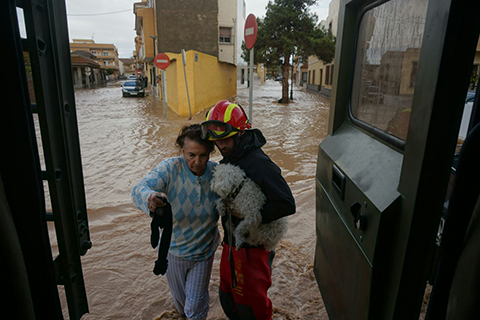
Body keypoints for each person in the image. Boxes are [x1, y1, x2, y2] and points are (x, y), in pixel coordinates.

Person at [200, 100, 296, 320]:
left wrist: (250, 216)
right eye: (216, 141)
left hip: (254, 250)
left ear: (240, 133)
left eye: (225, 139)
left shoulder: (259, 163)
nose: (221, 146)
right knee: (227, 299)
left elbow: (287, 203)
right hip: (231, 243)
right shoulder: (231, 157)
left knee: (251, 307)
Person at [131, 124, 220, 320]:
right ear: (182, 152)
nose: (197, 162)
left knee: (195, 308)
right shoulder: (170, 169)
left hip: (203, 252)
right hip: (174, 252)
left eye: (203, 155)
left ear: (211, 153)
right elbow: (139, 188)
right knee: (181, 306)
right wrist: (151, 197)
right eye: (191, 155)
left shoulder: (217, 174)